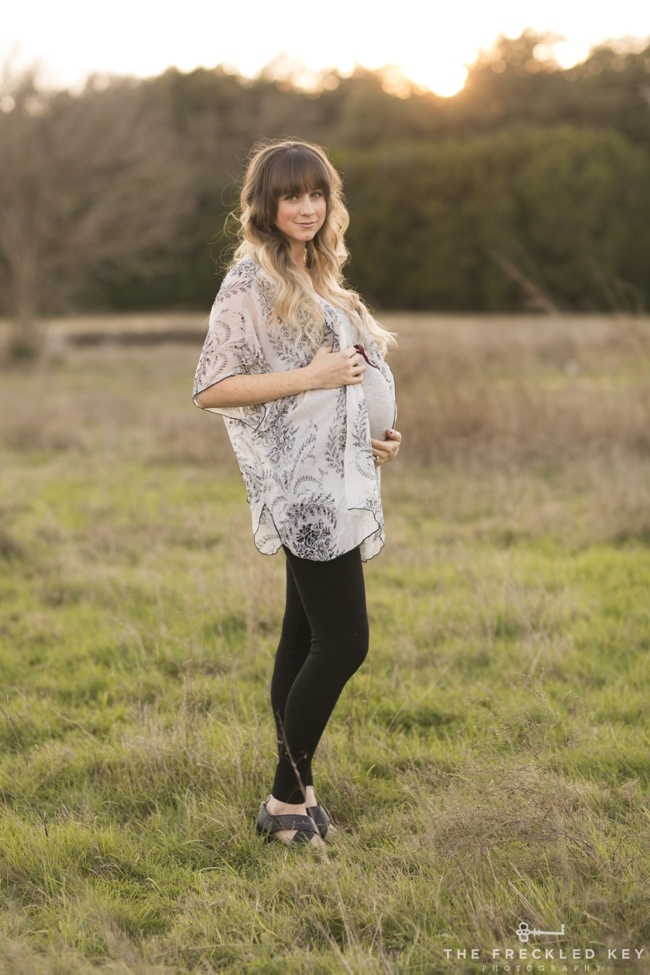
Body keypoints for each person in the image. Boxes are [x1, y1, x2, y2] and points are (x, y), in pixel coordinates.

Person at [193, 139, 402, 848]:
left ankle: (299, 790)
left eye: (317, 193)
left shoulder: (315, 272)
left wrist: (374, 435)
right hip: (305, 488)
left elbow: (348, 380)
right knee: (344, 643)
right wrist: (314, 377)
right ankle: (284, 799)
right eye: (292, 196)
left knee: (304, 636)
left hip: (338, 472)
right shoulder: (249, 280)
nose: (307, 207)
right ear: (266, 204)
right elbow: (212, 387)